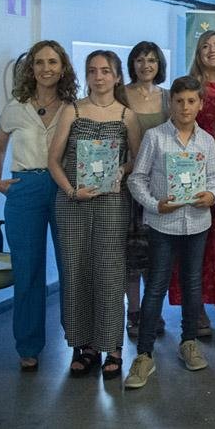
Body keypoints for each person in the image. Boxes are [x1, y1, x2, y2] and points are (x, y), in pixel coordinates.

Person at [48, 50, 142, 379]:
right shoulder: (71, 111)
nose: (98, 76)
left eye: (105, 71)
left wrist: (121, 170)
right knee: (75, 272)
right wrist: (72, 191)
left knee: (109, 273)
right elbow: (53, 161)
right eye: (92, 71)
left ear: (117, 77)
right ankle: (83, 345)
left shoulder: (126, 116)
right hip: (73, 202)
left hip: (112, 202)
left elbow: (136, 159)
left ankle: (112, 347)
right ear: (86, 76)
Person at [124, 76, 215, 389]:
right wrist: (154, 205)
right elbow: (135, 180)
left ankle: (189, 342)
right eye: (179, 101)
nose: (185, 107)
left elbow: (213, 180)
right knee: (156, 286)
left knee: (193, 285)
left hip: (197, 224)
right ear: (171, 103)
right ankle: (144, 355)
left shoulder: (206, 141)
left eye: (192, 101)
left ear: (201, 104)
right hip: (163, 224)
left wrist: (212, 196)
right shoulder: (154, 138)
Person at [0, 40, 77, 371]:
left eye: (53, 61)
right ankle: (28, 345)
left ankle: (78, 340)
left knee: (71, 267)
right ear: (31, 68)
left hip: (63, 186)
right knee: (28, 269)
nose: (46, 68)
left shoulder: (73, 106)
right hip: (24, 189)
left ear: (63, 66)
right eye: (39, 62)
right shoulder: (16, 106)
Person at [171, 30, 215, 335]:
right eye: (205, 46)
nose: (212, 50)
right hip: (196, 179)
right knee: (195, 246)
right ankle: (196, 307)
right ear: (197, 53)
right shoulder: (189, 88)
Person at [123, 41, 170, 339]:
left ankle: (155, 311)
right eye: (139, 60)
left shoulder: (168, 98)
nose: (145, 65)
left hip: (160, 185)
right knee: (132, 254)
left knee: (157, 253)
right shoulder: (120, 94)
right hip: (126, 183)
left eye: (151, 60)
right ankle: (134, 311)